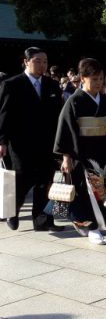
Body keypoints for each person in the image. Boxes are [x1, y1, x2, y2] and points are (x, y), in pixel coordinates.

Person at [53, 58, 106, 244]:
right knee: (88, 192)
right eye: (94, 79)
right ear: (82, 78)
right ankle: (93, 228)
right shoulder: (74, 101)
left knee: (101, 192)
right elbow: (65, 130)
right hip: (82, 155)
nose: (99, 83)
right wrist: (66, 157)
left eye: (101, 79)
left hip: (103, 154)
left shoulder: (105, 100)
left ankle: (86, 223)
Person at [0, 47, 65, 232]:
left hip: (46, 143)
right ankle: (12, 212)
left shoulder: (52, 85)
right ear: (26, 62)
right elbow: (4, 115)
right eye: (37, 61)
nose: (42, 65)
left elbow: (57, 116)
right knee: (21, 180)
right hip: (20, 143)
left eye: (45, 61)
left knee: (45, 181)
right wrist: (1, 141)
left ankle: (42, 220)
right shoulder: (12, 84)